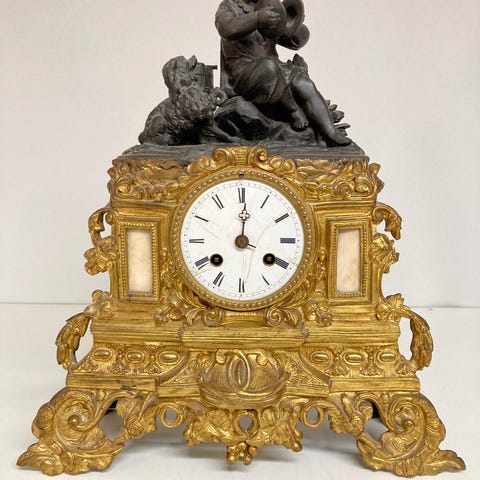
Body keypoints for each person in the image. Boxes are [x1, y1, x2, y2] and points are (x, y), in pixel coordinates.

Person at [215, 0, 351, 146]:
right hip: (244, 73)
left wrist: (294, 22)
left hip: (276, 67)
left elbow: (296, 42)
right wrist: (257, 18)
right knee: (269, 67)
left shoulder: (269, 6)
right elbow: (226, 28)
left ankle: (330, 132)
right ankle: (293, 110)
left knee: (304, 84)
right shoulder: (230, 6)